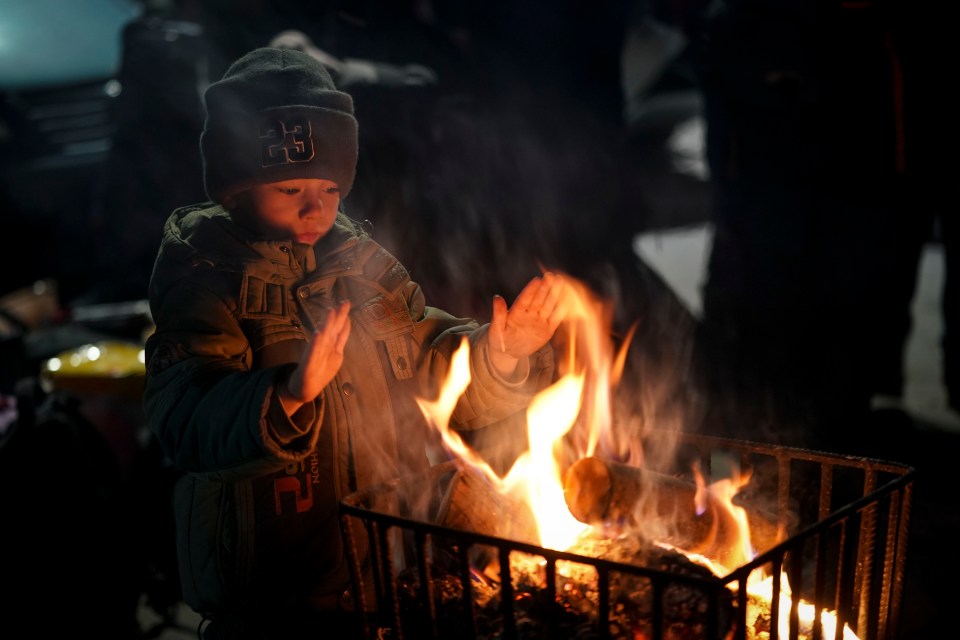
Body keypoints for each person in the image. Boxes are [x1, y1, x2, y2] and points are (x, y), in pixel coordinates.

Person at [141, 46, 567, 639]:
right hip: (272, 592)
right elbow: (182, 415)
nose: (317, 208)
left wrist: (501, 354)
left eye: (330, 189)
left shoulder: (361, 265)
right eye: (290, 189)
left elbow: (429, 365)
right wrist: (288, 395)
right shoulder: (206, 280)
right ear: (235, 192)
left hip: (386, 570)